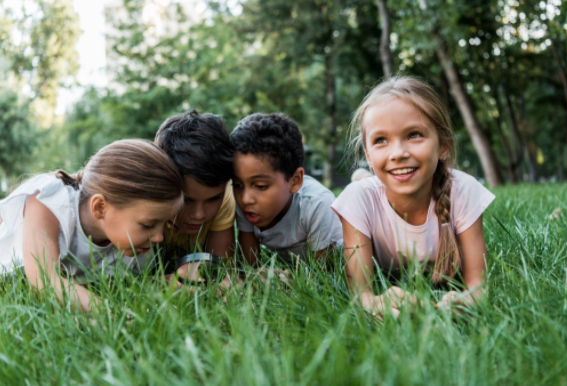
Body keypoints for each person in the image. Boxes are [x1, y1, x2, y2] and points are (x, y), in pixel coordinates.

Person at [331, 77, 495, 318]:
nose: (398, 153)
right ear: (367, 154)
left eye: (414, 135)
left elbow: (478, 287)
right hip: (367, 191)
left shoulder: (463, 191)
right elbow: (360, 295)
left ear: (443, 146)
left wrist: (462, 303)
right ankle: (363, 176)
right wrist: (379, 304)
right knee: (363, 186)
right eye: (381, 140)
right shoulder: (357, 200)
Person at [0, 139, 184, 312]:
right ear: (100, 207)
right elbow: (45, 280)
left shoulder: (133, 248)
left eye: (165, 224)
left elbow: (111, 285)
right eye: (148, 225)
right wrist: (110, 313)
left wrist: (166, 281)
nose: (159, 237)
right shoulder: (50, 202)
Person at [230, 113, 343, 267]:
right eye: (237, 184)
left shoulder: (317, 204)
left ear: (295, 180)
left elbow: (325, 274)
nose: (245, 198)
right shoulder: (246, 203)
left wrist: (289, 281)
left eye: (261, 186)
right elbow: (250, 268)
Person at [154, 110, 236, 284]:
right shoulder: (143, 200)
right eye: (187, 200)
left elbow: (220, 269)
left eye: (213, 199)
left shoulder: (225, 197)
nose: (199, 214)